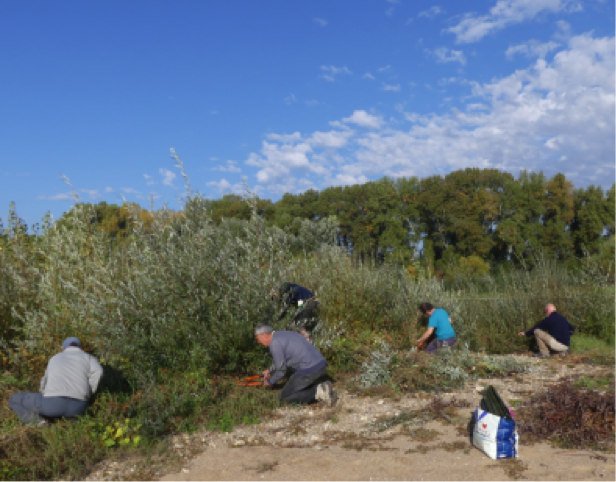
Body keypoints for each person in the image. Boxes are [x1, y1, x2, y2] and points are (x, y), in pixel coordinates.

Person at [8, 337, 104, 426]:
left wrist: (44, 395)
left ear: (63, 349)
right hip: (79, 406)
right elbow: (98, 371)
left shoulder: (55, 357)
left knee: (14, 399)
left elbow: (44, 381)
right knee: (72, 412)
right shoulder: (88, 357)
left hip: (53, 404)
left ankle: (39, 422)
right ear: (79, 347)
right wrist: (90, 391)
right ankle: (72, 419)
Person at [254, 323, 336, 406]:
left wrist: (270, 382)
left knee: (283, 400)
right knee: (293, 390)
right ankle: (320, 387)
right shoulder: (284, 334)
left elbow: (281, 371)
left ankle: (319, 391)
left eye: (258, 338)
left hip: (309, 370)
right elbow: (283, 361)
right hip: (320, 364)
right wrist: (269, 370)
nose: (258, 342)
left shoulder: (274, 343)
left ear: (264, 335)